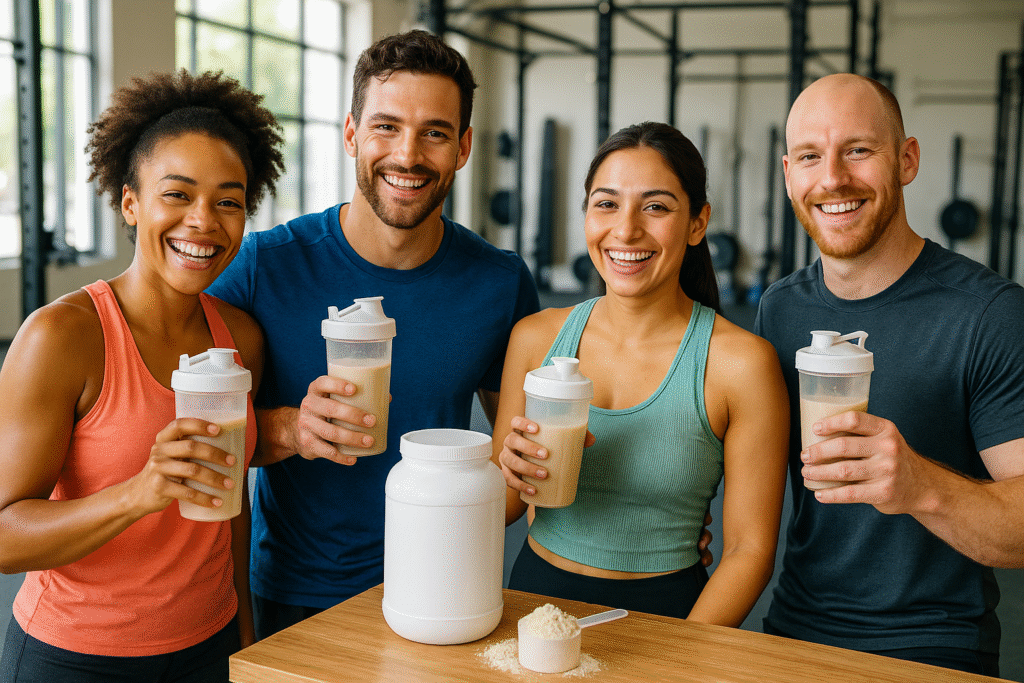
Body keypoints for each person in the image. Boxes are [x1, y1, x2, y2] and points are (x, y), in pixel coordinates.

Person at [206, 30, 539, 640]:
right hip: (298, 592)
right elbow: (196, 438)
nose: (408, 155)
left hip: (449, 586)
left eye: (434, 132)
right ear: (351, 133)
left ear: (463, 147)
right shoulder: (263, 267)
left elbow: (516, 461)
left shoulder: (500, 281)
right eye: (386, 126)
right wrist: (289, 427)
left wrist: (528, 470)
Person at [0, 70, 284, 681]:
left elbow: (229, 504)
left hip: (208, 646)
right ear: (130, 202)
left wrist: (244, 630)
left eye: (228, 201)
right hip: (75, 657)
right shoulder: (62, 336)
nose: (204, 220)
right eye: (177, 194)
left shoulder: (242, 339)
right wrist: (139, 493)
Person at [755, 73, 1024, 677]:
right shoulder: (781, 307)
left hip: (932, 643)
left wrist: (921, 485)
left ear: (906, 160)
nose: (832, 179)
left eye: (858, 150)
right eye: (809, 157)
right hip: (794, 627)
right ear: (789, 173)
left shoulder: (989, 313)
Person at [495, 122, 789, 624]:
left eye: (655, 206)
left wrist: (681, 663)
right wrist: (505, 472)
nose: (626, 229)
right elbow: (503, 509)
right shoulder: (534, 338)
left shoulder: (741, 364)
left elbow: (749, 551)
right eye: (606, 203)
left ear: (698, 224)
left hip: (671, 617)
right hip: (533, 605)